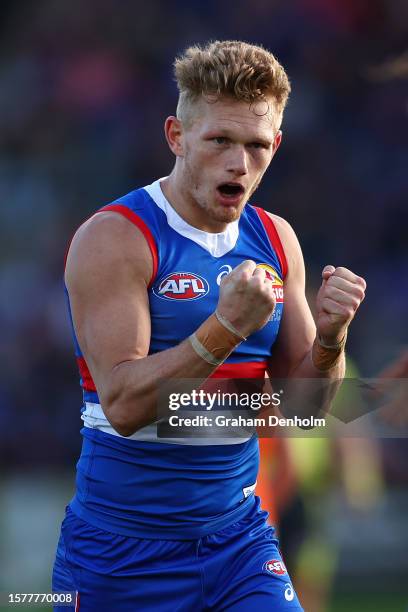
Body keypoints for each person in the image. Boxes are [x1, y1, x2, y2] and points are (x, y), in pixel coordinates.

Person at [52, 40, 366, 611]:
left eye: (255, 145)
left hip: (240, 541)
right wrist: (225, 327)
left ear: (276, 145)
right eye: (219, 140)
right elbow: (122, 405)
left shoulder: (276, 239)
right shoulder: (116, 237)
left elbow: (304, 411)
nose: (238, 164)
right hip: (121, 552)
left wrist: (329, 339)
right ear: (177, 136)